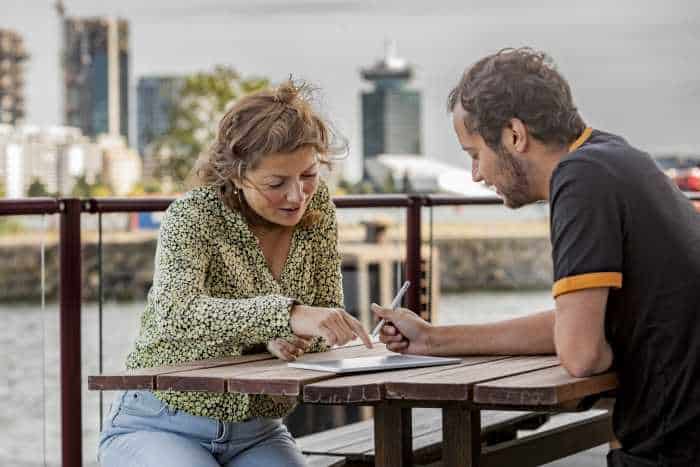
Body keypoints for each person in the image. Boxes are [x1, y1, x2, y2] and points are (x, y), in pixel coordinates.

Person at [373, 48, 700, 467]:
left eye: (475, 153)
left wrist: (590, 341)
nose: (475, 174)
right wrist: (433, 339)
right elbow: (579, 327)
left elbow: (582, 356)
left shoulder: (580, 180)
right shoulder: (614, 158)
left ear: (513, 134)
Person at [99, 81, 372, 467]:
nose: (297, 196)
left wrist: (285, 337)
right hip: (159, 422)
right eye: (277, 183)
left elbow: (324, 314)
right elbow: (177, 314)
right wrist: (286, 316)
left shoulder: (319, 207)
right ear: (238, 175)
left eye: (308, 175)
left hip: (257, 429)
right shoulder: (193, 215)